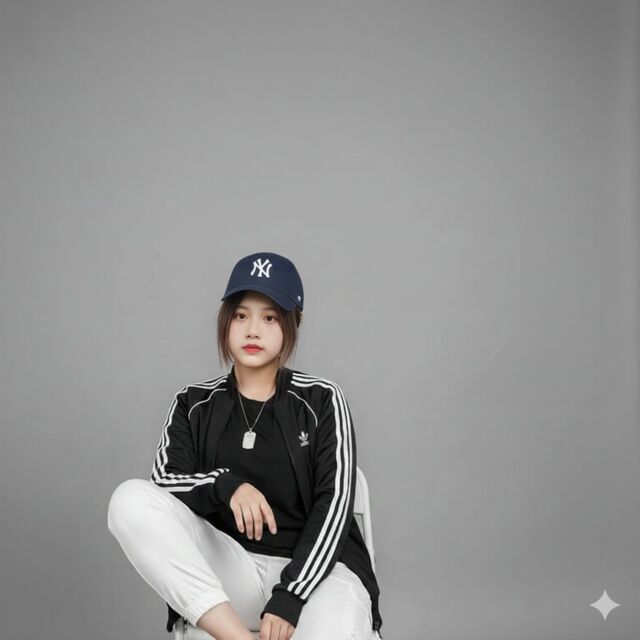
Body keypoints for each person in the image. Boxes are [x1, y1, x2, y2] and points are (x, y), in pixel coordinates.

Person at [107, 252, 383, 640]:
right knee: (129, 499)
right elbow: (164, 483)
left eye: (269, 318)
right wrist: (227, 485)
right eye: (241, 316)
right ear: (226, 322)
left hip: (319, 576)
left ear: (293, 324)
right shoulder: (193, 404)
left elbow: (335, 505)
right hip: (231, 574)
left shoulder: (322, 399)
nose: (253, 331)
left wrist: (291, 594)